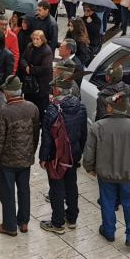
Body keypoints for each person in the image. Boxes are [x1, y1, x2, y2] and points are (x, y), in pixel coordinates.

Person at [84, 90, 130, 248]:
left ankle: (108, 232)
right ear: (127, 108)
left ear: (110, 108)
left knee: (107, 202)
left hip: (105, 175)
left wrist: (89, 167)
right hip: (129, 176)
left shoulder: (97, 127)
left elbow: (89, 151)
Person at [0, 75, 40, 236]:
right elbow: (35, 134)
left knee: (7, 192)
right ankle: (23, 222)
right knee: (24, 190)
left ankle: (10, 226)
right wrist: (30, 153)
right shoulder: (32, 108)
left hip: (7, 161)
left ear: (8, 93)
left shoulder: (3, 112)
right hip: (25, 159)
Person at [38, 74, 88, 234]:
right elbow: (83, 134)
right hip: (73, 154)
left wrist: (43, 157)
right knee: (71, 185)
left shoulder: (52, 110)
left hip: (56, 156)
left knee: (56, 188)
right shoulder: (81, 107)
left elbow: (46, 138)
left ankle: (57, 223)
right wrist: (78, 152)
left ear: (58, 90)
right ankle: (72, 218)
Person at [20, 29, 54, 117]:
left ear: (42, 40)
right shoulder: (30, 46)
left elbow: (45, 68)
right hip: (29, 82)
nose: (34, 41)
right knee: (28, 105)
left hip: (41, 84)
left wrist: (30, 70)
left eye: (37, 39)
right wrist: (26, 67)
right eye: (33, 38)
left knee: (41, 109)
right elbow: (23, 59)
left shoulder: (47, 50)